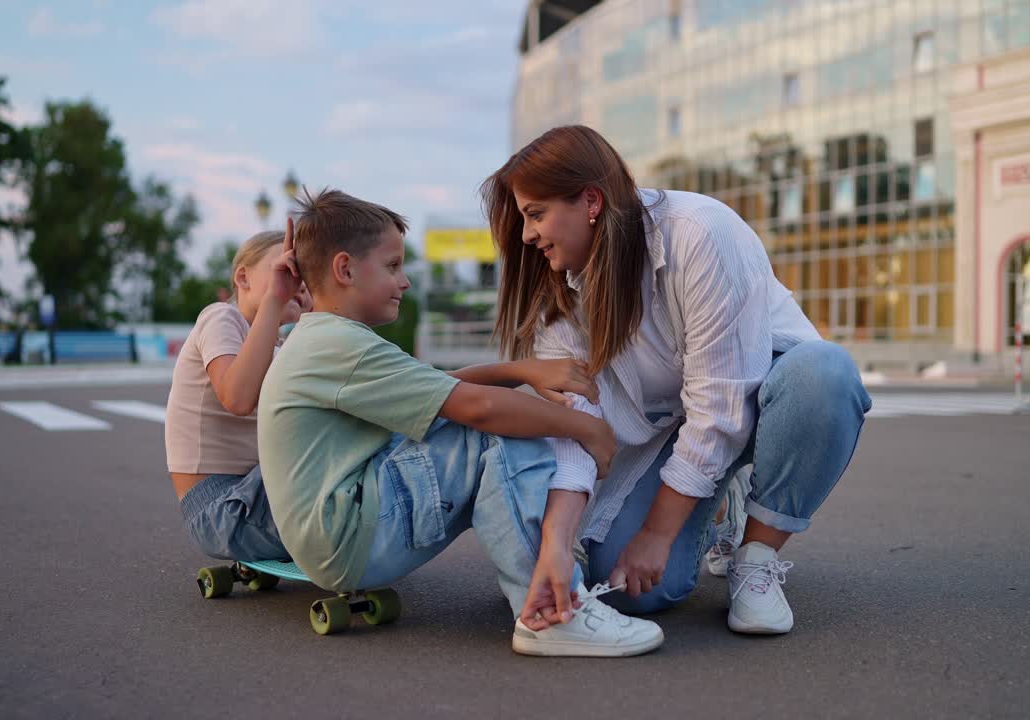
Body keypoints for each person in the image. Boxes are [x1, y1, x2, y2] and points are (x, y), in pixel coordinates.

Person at [482, 125, 873, 635]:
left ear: (591, 201)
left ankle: (756, 557)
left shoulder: (699, 232)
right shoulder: (559, 300)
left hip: (771, 396)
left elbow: (722, 405)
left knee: (827, 373)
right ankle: (716, 502)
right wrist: (558, 550)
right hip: (677, 424)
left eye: (535, 214)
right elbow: (577, 426)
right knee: (629, 589)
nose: (528, 235)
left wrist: (658, 534)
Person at [258, 188, 663, 657]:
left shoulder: (325, 339)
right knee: (494, 430)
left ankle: (536, 574)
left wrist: (520, 370)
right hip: (352, 537)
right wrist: (587, 428)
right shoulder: (339, 345)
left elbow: (436, 386)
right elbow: (476, 409)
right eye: (392, 266)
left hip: (339, 537)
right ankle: (553, 612)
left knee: (483, 416)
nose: (405, 281)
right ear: (345, 269)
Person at [165, 225, 311, 562]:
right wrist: (276, 298)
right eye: (287, 270)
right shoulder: (221, 317)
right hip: (219, 507)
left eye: (305, 276)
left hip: (250, 493)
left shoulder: (278, 346)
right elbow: (237, 397)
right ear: (243, 278)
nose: (297, 283)